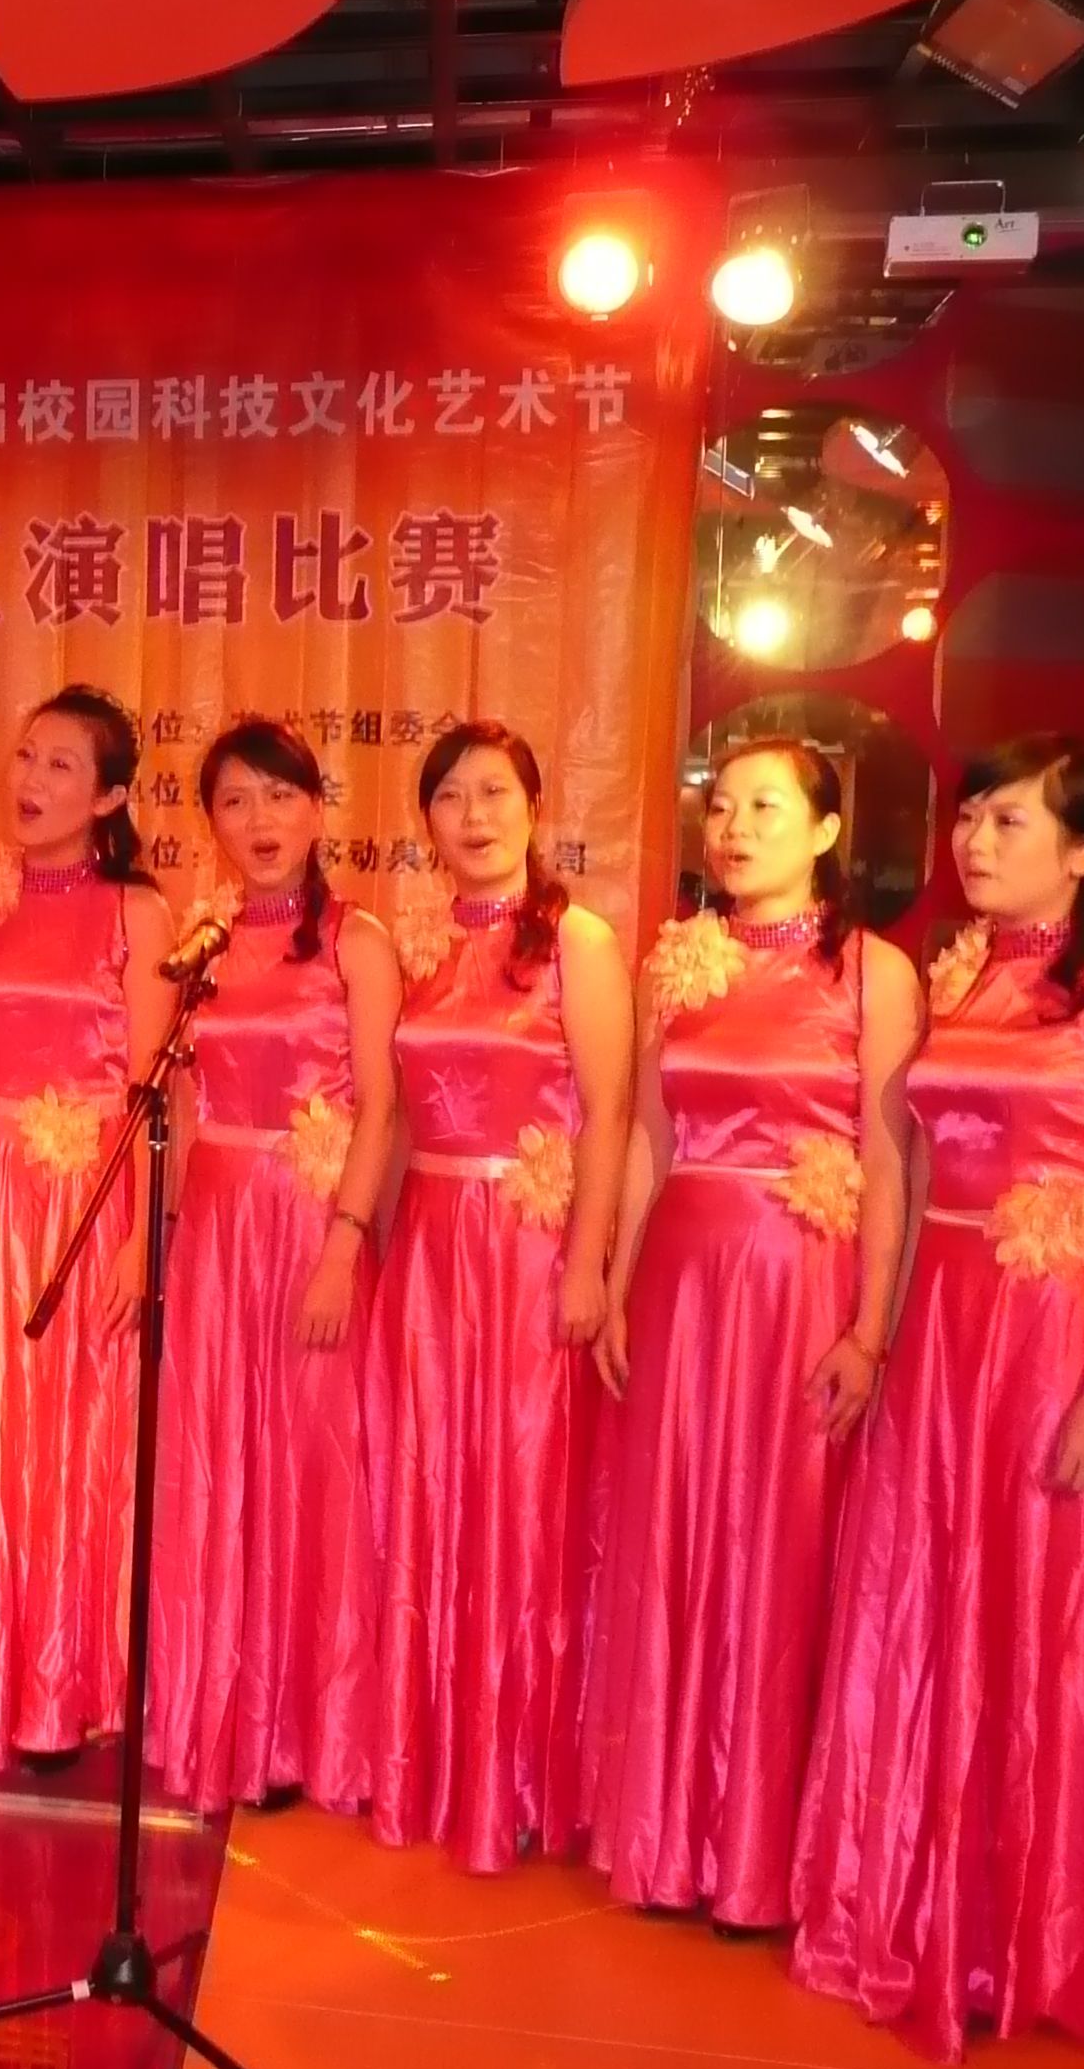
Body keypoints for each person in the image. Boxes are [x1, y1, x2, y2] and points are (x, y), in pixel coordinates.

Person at [792, 736, 1084, 2060]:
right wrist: (877, 1332)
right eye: (969, 816)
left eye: (1008, 820)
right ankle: (910, 1908)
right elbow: (911, 1172)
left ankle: (1029, 1936)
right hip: (945, 1333)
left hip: (1053, 1342)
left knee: (1037, 1631)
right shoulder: (960, 975)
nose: (973, 840)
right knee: (920, 1607)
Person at [580, 738, 918, 1925]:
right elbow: (647, 1136)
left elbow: (890, 1163)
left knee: (781, 1548)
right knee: (672, 1535)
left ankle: (763, 1855)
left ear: (826, 832)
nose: (733, 829)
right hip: (683, 1279)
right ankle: (666, 1833)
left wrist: (870, 1328)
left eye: (766, 808)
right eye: (720, 807)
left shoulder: (874, 973)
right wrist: (619, 1279)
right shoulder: (679, 961)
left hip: (798, 1287)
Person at [365, 719, 631, 1870]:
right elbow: (393, 1116)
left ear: (534, 808)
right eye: (450, 798)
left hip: (528, 1251)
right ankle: (423, 1757)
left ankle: (518, 1774)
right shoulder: (418, 945)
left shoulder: (578, 940)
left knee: (524, 1504)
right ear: (426, 821)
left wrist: (588, 1263)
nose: (473, 817)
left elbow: (610, 1114)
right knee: (428, 1494)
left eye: (493, 794)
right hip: (430, 1248)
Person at [0, 684, 172, 1773]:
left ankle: (61, 1689)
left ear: (107, 796)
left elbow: (153, 1087)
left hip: (84, 1201)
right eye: (25, 756)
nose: (32, 780)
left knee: (71, 1442)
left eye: (61, 765)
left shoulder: (136, 911)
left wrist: (143, 1236)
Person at [148, 720, 402, 1811]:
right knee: (216, 1466)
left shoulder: (355, 939)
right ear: (211, 821)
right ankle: (214, 1714)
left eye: (280, 796)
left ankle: (303, 1731)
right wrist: (166, 1233)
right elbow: (179, 1100)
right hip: (216, 1226)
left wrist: (345, 1242)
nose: (259, 821)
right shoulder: (202, 942)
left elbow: (382, 1106)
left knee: (308, 1470)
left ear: (317, 810)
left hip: (310, 1226)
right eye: (236, 801)